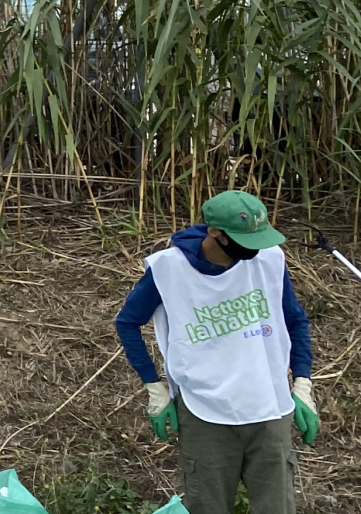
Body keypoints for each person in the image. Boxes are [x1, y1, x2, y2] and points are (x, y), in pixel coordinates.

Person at [113, 190, 316, 514]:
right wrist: (155, 389)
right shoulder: (169, 269)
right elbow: (127, 322)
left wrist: (303, 384)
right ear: (214, 233)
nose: (252, 251)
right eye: (244, 242)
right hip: (205, 413)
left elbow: (295, 319)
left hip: (269, 409)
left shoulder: (269, 259)